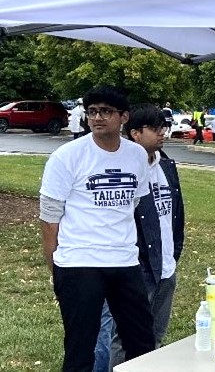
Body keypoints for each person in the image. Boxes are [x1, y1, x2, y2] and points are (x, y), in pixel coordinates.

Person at [39, 85, 155, 371]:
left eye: (105, 111)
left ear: (124, 117)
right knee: (81, 348)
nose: (97, 117)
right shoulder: (67, 156)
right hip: (80, 262)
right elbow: (50, 215)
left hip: (125, 261)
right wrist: (55, 266)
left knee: (142, 343)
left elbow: (135, 200)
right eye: (92, 111)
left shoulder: (137, 155)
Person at [104, 104, 185, 369]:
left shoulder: (167, 165)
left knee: (156, 335)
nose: (163, 133)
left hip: (166, 266)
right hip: (136, 266)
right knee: (125, 336)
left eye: (164, 127)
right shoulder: (124, 169)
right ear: (135, 133)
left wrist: (173, 253)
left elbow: (176, 214)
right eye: (155, 128)